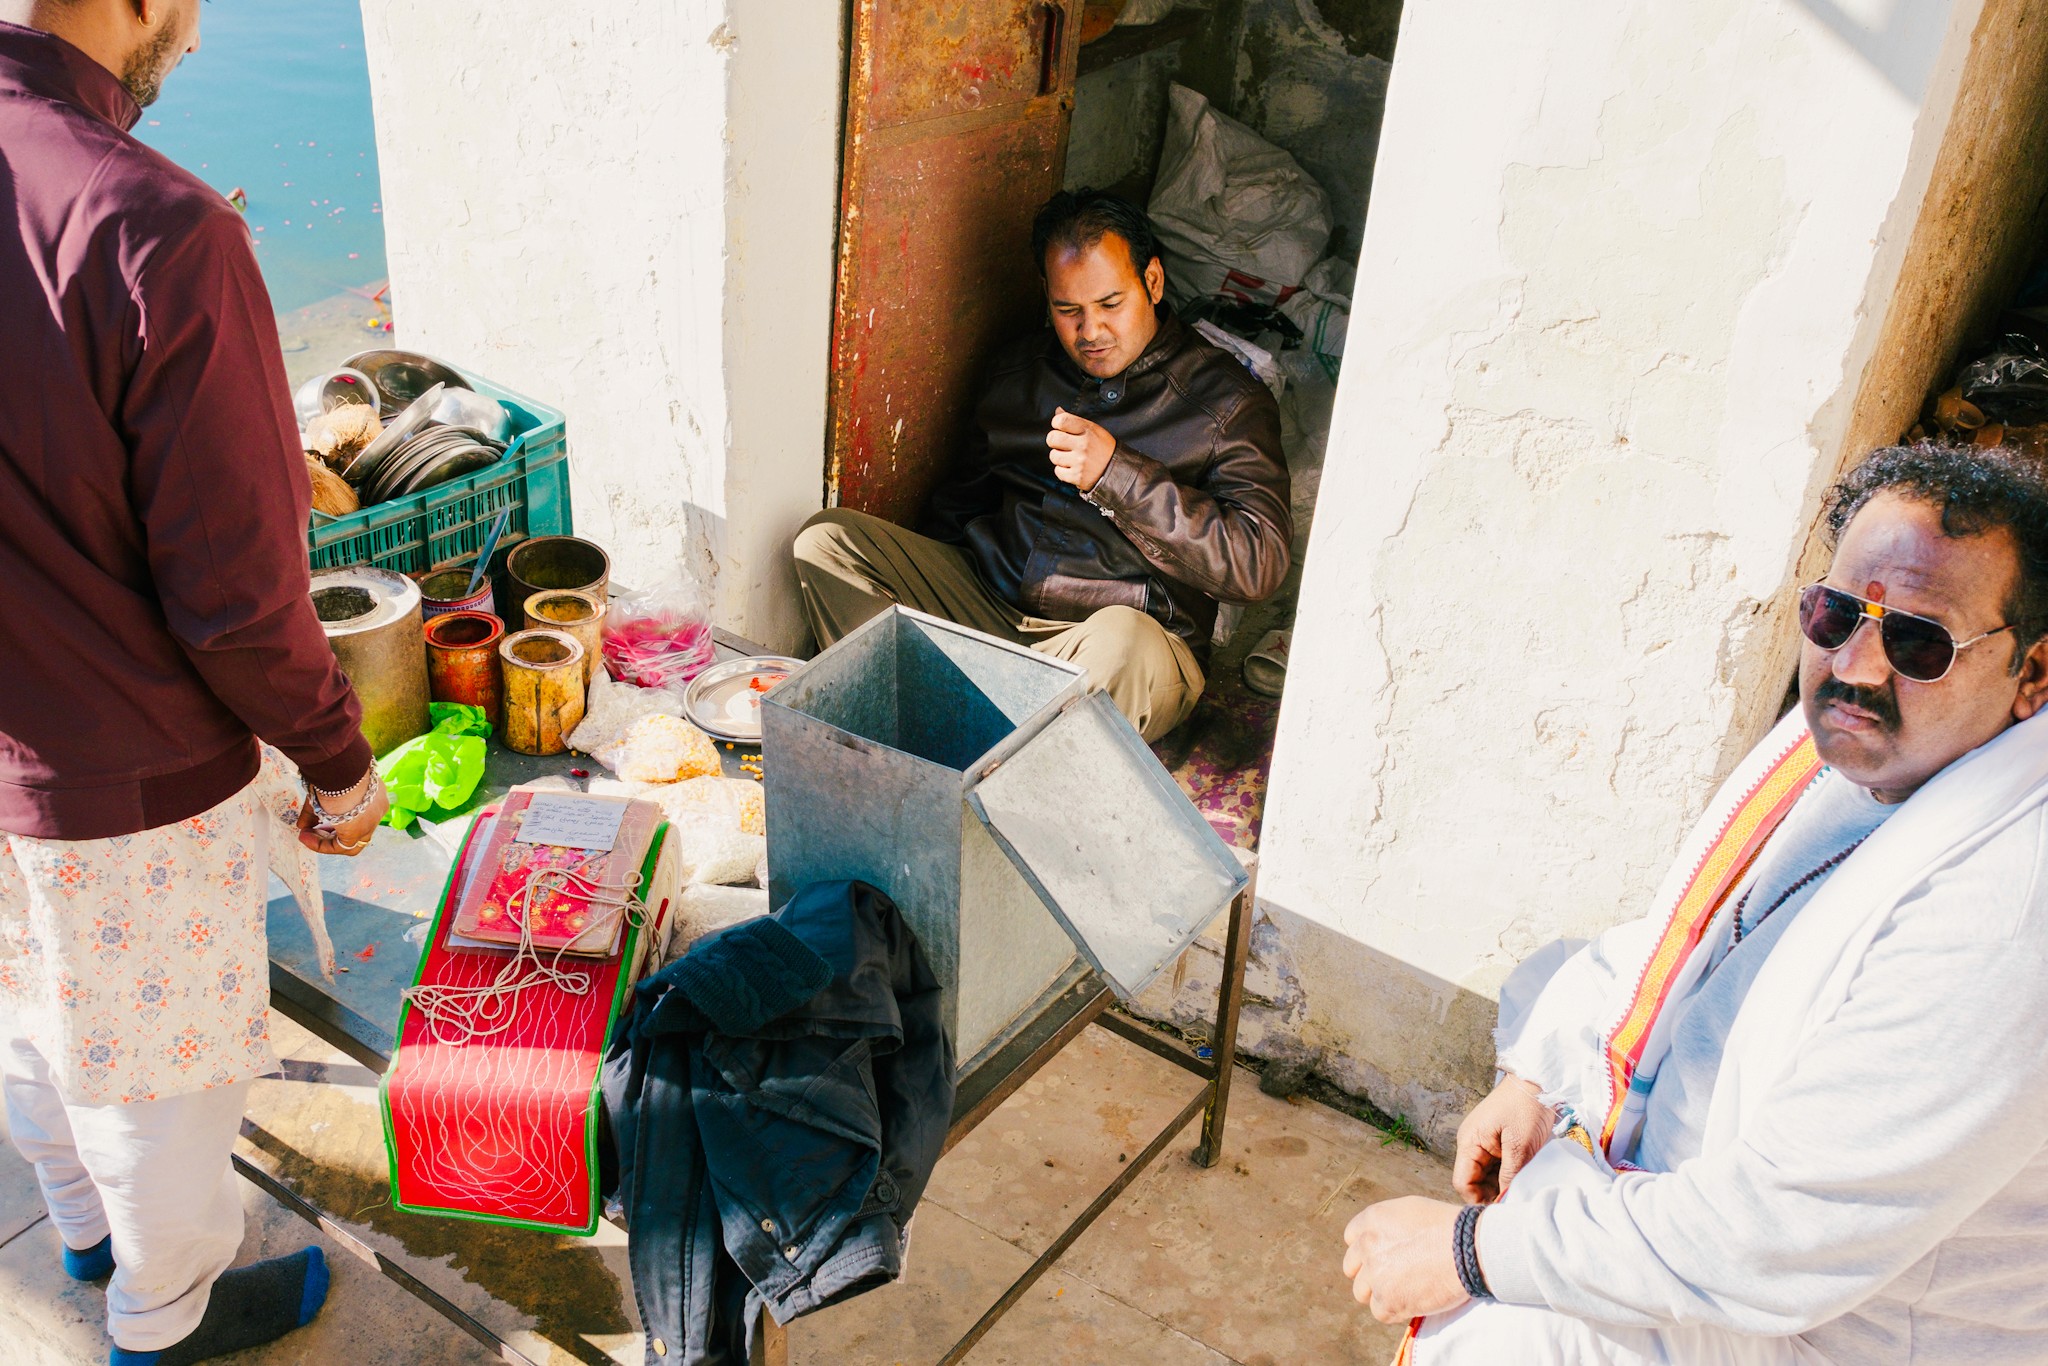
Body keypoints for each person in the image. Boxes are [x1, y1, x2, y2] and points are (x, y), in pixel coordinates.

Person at [1341, 444, 2048, 1365]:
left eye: (1921, 640)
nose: (1860, 666)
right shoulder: (1856, 748)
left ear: (2034, 674)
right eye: (1836, 614)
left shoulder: (2011, 913)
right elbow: (1700, 946)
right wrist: (1543, 1079)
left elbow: (1782, 1232)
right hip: (1662, 1238)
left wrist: (1476, 1253)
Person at [0, 3, 389, 1362]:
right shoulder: (161, 228)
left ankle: (85, 1239)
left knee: (29, 1020)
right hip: (127, 786)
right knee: (157, 1090)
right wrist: (340, 762)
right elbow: (236, 604)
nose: (202, 34)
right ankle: (155, 1324)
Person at [793, 189, 1293, 742]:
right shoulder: (1019, 371)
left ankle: (970, 747)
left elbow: (1259, 563)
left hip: (1117, 641)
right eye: (1068, 310)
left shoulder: (1225, 403)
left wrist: (1116, 475)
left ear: (1152, 282)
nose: (1091, 332)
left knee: (1121, 646)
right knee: (827, 542)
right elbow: (960, 503)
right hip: (994, 613)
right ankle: (933, 725)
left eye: (1110, 304)